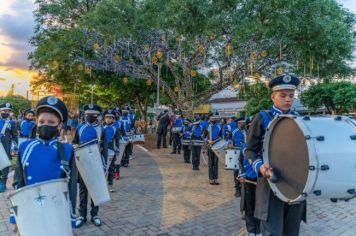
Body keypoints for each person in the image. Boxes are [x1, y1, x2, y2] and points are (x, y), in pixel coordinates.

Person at [245, 74, 305, 236]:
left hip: (296, 185)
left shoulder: (300, 119)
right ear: (273, 97)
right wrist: (261, 168)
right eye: (283, 95)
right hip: (271, 183)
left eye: (291, 96)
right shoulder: (262, 118)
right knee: (273, 232)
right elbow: (249, 150)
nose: (288, 100)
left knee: (292, 232)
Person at [11, 96, 77, 232]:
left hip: (57, 209)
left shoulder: (67, 150)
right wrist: (15, 217)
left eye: (51, 122)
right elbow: (18, 183)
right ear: (36, 122)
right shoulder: (25, 147)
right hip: (29, 208)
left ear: (59, 125)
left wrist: (71, 217)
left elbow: (71, 187)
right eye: (41, 121)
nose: (45, 124)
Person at [73, 104, 105, 228]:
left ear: (97, 115)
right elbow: (75, 141)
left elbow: (105, 148)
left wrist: (105, 164)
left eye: (93, 114)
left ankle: (95, 215)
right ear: (85, 115)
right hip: (83, 162)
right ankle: (82, 215)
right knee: (83, 190)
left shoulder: (101, 129)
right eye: (88, 114)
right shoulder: (80, 127)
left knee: (95, 190)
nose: (90, 116)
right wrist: (75, 145)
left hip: (96, 163)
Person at [0, 102, 18, 192]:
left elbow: (15, 136)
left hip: (6, 146)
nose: (6, 112)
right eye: (4, 111)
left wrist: (15, 147)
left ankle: (3, 183)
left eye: (8, 111)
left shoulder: (11, 122)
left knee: (5, 163)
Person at [102, 110, 120, 192]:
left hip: (111, 150)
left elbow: (117, 140)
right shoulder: (102, 128)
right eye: (106, 118)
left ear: (113, 119)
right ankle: (102, 185)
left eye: (110, 118)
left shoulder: (115, 128)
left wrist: (117, 150)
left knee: (111, 168)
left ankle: (110, 185)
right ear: (104, 119)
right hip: (102, 150)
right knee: (102, 168)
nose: (108, 119)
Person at [205, 112, 222, 185]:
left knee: (216, 163)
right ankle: (211, 179)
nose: (213, 119)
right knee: (210, 163)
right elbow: (204, 137)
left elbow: (221, 137)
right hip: (210, 147)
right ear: (210, 118)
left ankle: (216, 179)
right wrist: (208, 141)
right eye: (212, 117)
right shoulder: (207, 127)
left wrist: (214, 141)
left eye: (214, 117)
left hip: (217, 147)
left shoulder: (219, 126)